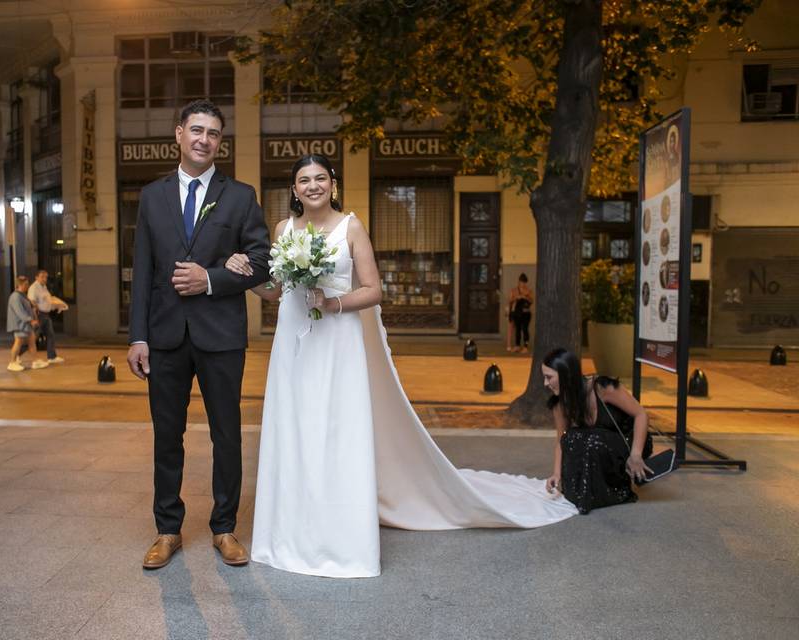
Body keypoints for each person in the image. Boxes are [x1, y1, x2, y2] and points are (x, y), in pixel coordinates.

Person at [226, 154, 577, 579]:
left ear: (333, 184)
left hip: (337, 340)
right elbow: (276, 291)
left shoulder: (351, 226)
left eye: (321, 178)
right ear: (294, 189)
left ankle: (339, 537)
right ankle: (290, 531)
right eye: (304, 180)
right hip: (294, 342)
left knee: (335, 429)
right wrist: (246, 275)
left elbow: (374, 291)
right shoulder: (283, 229)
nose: (313, 185)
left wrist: (332, 302)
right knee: (296, 429)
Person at [126, 100, 271, 571]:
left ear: (219, 142)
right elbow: (144, 269)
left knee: (227, 434)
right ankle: (167, 529)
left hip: (221, 335)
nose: (204, 139)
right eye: (196, 130)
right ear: (179, 134)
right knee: (167, 435)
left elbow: (261, 261)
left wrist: (210, 279)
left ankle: (224, 528)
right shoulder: (152, 196)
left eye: (213, 133)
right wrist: (138, 336)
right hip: (165, 335)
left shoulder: (240, 196)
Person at [541, 348, 654, 515]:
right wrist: (556, 474)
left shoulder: (602, 387)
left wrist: (636, 454)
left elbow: (641, 414)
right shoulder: (560, 404)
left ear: (566, 374)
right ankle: (589, 493)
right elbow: (561, 441)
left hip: (631, 442)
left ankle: (616, 491)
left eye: (549, 377)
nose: (545, 383)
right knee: (572, 438)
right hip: (598, 443)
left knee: (590, 439)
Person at [6, 275, 48, 372]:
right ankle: (12, 362)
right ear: (20, 284)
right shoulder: (15, 296)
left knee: (32, 341)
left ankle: (35, 361)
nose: (27, 286)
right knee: (18, 342)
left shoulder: (22, 295)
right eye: (26, 284)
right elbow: (20, 312)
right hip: (20, 325)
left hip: (25, 325)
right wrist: (31, 320)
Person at [27, 270, 64, 364]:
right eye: (42, 277)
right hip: (39, 315)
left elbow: (47, 300)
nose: (44, 279)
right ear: (36, 277)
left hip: (46, 315)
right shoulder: (34, 287)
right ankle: (18, 354)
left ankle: (52, 357)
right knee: (33, 336)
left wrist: (55, 305)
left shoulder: (44, 287)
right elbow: (31, 301)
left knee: (50, 335)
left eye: (46, 277)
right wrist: (35, 316)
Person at [508, 273, 533, 353]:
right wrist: (516, 297)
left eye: (524, 283)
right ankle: (517, 346)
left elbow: (531, 301)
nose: (523, 284)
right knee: (518, 329)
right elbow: (510, 301)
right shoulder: (514, 290)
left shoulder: (528, 291)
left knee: (525, 329)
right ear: (519, 282)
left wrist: (525, 297)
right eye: (522, 282)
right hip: (517, 312)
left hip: (526, 313)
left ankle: (525, 346)